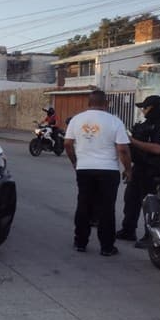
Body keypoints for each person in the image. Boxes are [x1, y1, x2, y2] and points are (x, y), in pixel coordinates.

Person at [64, 90, 132, 256]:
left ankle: (80, 242)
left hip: (84, 169)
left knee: (83, 204)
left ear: (89, 102)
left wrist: (75, 162)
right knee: (107, 208)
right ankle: (107, 247)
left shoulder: (76, 119)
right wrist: (128, 169)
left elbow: (67, 144)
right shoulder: (115, 121)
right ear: (106, 103)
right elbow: (123, 149)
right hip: (108, 171)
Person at [116, 95, 160, 249]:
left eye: (144, 107)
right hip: (139, 168)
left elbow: (158, 149)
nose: (142, 110)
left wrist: (131, 140)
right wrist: (128, 168)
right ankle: (128, 230)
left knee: (151, 204)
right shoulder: (146, 124)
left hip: (155, 170)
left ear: (152, 107)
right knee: (131, 200)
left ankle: (150, 236)